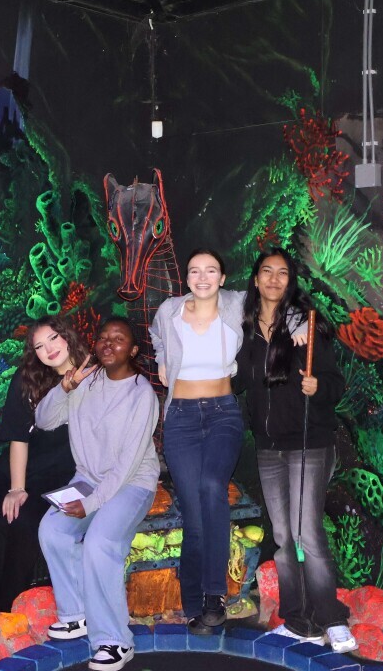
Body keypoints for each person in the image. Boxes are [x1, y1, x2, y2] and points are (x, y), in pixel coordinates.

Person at [149, 249, 306, 634]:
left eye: (211, 271)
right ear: (187, 277)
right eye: (194, 271)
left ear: (222, 278)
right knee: (194, 514)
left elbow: (276, 300)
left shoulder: (236, 303)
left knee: (211, 487)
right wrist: (163, 357)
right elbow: (155, 336)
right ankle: (193, 602)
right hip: (181, 418)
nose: (202, 277)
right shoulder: (169, 311)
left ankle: (214, 595)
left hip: (222, 413)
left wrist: (298, 322)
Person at [234, 248, 357, 653]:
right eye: (266, 271)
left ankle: (332, 619)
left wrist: (318, 387)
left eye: (282, 272)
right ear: (255, 279)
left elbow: (336, 383)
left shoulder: (308, 326)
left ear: (291, 281)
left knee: (308, 532)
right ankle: (299, 620)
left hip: (309, 442)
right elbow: (237, 380)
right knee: (284, 536)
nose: (273, 279)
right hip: (268, 447)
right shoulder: (244, 330)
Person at [36, 317, 160, 671]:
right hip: (87, 478)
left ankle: (115, 641)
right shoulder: (85, 381)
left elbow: (126, 464)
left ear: (132, 350)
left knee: (100, 541)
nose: (108, 343)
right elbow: (44, 421)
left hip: (133, 482)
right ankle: (77, 614)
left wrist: (91, 504)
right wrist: (65, 387)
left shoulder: (141, 394)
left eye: (118, 339)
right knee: (52, 530)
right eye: (103, 337)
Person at [0, 317, 88, 621]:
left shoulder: (94, 376)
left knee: (26, 528)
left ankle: (7, 616)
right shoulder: (27, 379)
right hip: (16, 472)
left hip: (59, 478)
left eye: (54, 338)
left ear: (68, 336)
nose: (50, 349)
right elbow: (18, 437)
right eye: (40, 346)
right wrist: (16, 489)